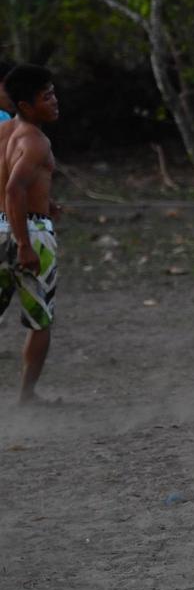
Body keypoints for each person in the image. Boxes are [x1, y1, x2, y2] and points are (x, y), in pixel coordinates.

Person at [0, 65, 62, 405]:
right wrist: (24, 242)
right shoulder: (36, 140)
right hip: (30, 232)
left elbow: (8, 181)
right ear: (26, 106)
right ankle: (27, 395)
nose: (55, 102)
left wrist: (45, 200)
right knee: (40, 320)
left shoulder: (3, 131)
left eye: (53, 93)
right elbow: (14, 188)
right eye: (47, 97)